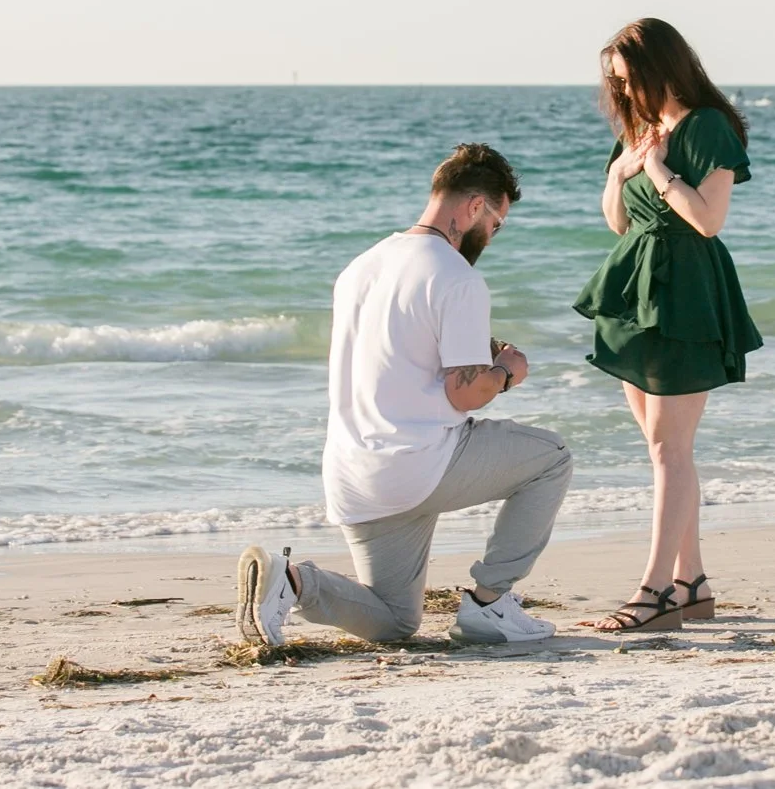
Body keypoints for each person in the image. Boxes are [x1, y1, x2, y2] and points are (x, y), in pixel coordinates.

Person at [237, 143, 572, 646]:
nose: (493, 236)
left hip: (354, 476)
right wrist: (507, 371)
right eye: (497, 224)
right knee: (553, 459)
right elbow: (465, 394)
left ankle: (291, 582)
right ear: (476, 206)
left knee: (395, 621)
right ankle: (490, 602)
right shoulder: (457, 276)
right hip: (419, 465)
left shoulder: (362, 265)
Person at [573, 18, 763, 632]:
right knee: (665, 451)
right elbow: (617, 222)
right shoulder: (639, 129)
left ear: (662, 69)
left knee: (668, 449)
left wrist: (656, 171)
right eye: (616, 85)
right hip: (634, 291)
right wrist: (619, 171)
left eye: (630, 81)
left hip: (687, 294)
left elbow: (708, 220)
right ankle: (692, 583)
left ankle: (656, 590)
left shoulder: (708, 126)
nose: (624, 95)